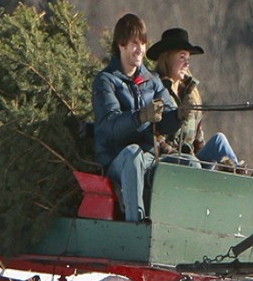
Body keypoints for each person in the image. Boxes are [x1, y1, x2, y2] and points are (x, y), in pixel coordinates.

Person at [91, 14, 185, 222]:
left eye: (143, 43)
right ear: (121, 45)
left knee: (189, 164)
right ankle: (136, 224)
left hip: (150, 156)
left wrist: (178, 115)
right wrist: (141, 117)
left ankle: (180, 224)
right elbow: (110, 126)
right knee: (133, 154)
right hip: (117, 160)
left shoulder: (152, 80)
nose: (140, 50)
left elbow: (166, 120)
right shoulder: (105, 81)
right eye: (135, 43)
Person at [146, 27, 241, 170]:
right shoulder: (155, 88)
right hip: (167, 164)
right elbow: (154, 133)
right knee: (191, 162)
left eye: (188, 59)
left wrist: (201, 157)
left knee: (219, 141)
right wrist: (175, 153)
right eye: (182, 57)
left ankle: (239, 177)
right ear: (167, 58)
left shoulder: (190, 92)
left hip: (192, 163)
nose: (187, 64)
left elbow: (198, 137)